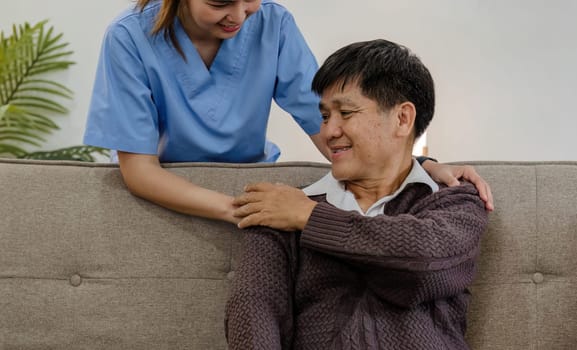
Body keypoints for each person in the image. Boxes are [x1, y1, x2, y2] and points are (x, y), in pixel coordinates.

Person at [83, 0, 493, 227]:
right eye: (220, 2)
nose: (240, 15)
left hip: (251, 185)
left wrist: (419, 166)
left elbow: (331, 124)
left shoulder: (274, 24)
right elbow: (138, 170)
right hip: (171, 194)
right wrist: (239, 210)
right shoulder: (129, 38)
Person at [226, 39, 489, 349]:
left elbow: (423, 263)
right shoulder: (277, 211)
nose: (328, 132)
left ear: (402, 119)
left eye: (346, 113)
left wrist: (310, 218)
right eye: (325, 117)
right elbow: (253, 310)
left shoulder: (456, 201)